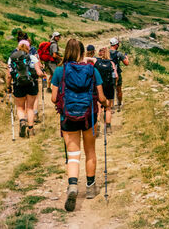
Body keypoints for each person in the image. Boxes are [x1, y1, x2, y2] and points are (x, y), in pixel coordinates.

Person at [51, 39, 106, 211]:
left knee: (73, 154)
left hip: (68, 118)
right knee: (90, 151)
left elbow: (53, 98)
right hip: (89, 117)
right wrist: (106, 104)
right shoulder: (92, 70)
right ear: (82, 53)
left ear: (66, 51)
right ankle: (90, 188)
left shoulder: (60, 71)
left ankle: (73, 185)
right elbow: (101, 97)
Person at [6, 40, 43, 137]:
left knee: (20, 107)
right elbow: (39, 73)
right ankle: (30, 129)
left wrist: (8, 87)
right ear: (28, 48)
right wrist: (42, 74)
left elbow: (9, 75)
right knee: (30, 108)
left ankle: (22, 121)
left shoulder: (12, 59)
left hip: (18, 85)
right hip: (31, 84)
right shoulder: (32, 57)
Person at [94, 47, 117, 133]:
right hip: (109, 87)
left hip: (98, 87)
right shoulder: (111, 63)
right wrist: (114, 84)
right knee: (108, 108)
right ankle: (108, 127)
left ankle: (97, 125)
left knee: (98, 106)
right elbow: (116, 76)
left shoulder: (96, 61)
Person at [109, 38, 129, 112]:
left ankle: (110, 106)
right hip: (117, 74)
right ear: (116, 45)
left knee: (110, 90)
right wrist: (126, 57)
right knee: (119, 90)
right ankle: (119, 105)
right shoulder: (119, 54)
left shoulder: (106, 53)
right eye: (118, 44)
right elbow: (126, 63)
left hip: (108, 74)